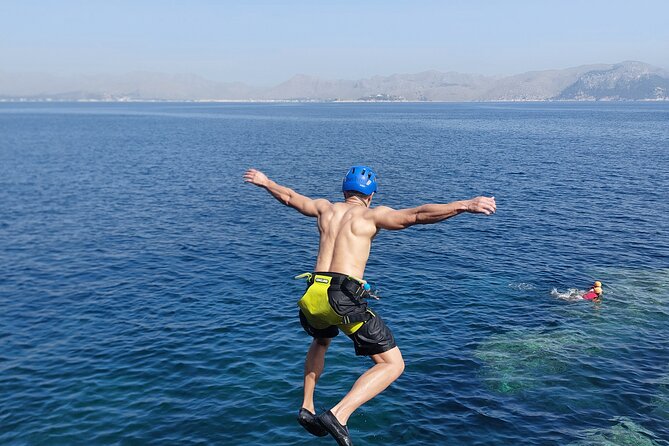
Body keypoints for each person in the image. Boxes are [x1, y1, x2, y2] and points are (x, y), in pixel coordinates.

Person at [243, 165, 496, 445]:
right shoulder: (371, 215)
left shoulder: (325, 209)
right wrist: (464, 205)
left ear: (344, 191)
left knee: (321, 342)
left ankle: (307, 406)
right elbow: (417, 214)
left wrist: (265, 182)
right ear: (371, 196)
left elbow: (290, 197)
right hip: (341, 296)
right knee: (392, 364)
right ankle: (339, 414)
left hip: (314, 292)